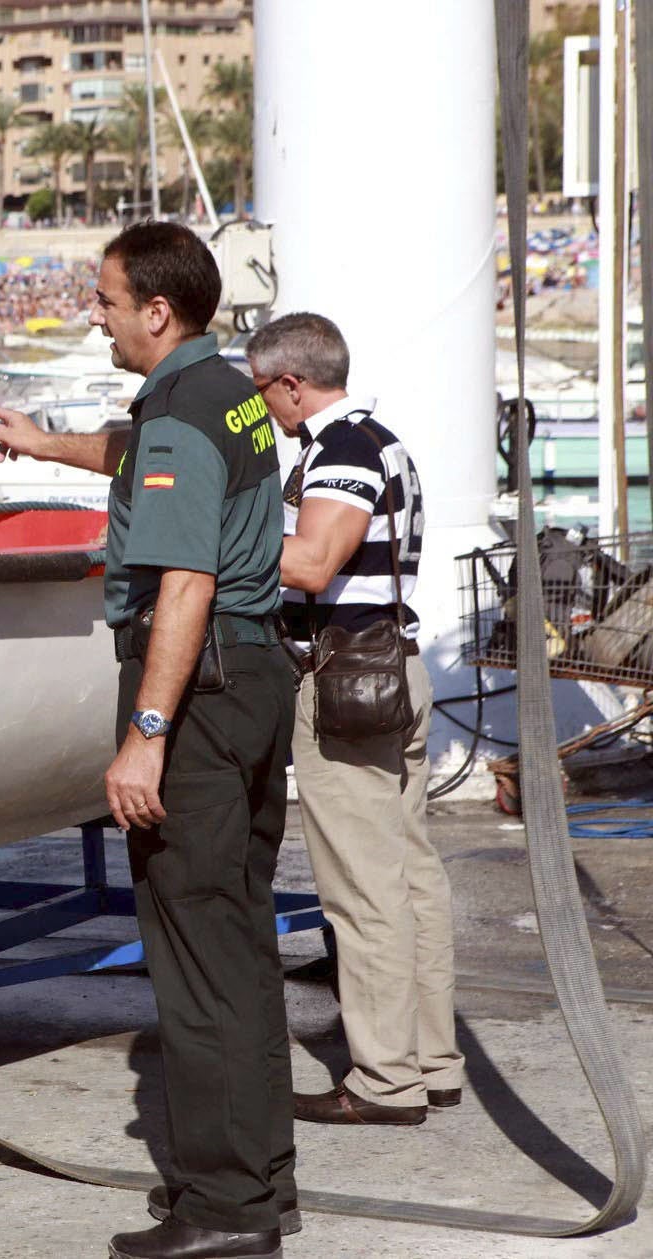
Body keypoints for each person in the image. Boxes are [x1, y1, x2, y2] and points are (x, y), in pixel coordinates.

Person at [0, 222, 298, 1259]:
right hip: (251, 676)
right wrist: (41, 445)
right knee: (236, 941)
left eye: (106, 300)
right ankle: (256, 1178)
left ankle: (223, 1208)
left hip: (194, 690)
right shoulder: (229, 393)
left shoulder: (176, 411)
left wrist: (145, 733)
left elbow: (183, 581)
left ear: (155, 312)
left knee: (194, 954)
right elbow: (131, 457)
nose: (96, 314)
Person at [247, 311, 463, 1126]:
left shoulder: (337, 452)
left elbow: (309, 561)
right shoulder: (387, 441)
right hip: (394, 670)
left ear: (292, 385)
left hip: (344, 679)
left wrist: (223, 534)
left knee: (361, 894)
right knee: (411, 877)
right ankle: (432, 1060)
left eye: (263, 390)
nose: (263, 406)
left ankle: (383, 1081)